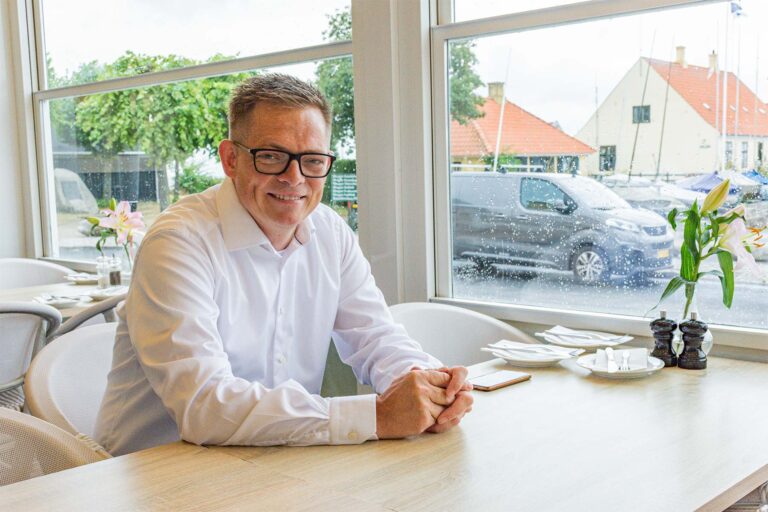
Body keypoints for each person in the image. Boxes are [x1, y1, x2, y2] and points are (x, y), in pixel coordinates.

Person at [94, 73, 473, 456]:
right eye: (272, 157)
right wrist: (378, 416)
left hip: (277, 459)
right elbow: (204, 405)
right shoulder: (178, 242)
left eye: (312, 161)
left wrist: (426, 382)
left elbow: (376, 336)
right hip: (156, 472)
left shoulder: (330, 233)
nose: (295, 178)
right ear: (231, 159)